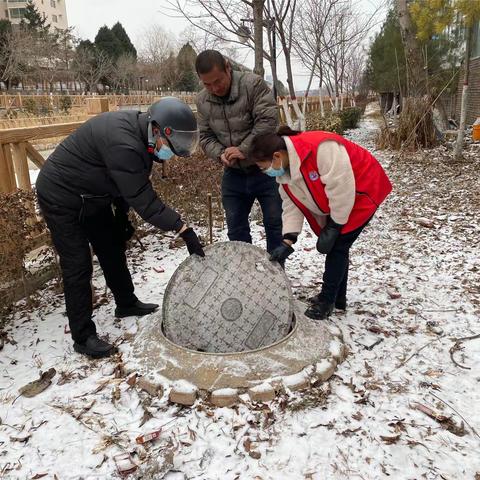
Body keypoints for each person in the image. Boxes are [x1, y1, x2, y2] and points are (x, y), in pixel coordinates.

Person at [36, 97, 205, 358]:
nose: (170, 152)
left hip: (93, 195)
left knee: (112, 247)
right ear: (158, 129)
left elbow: (124, 183)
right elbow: (144, 199)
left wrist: (121, 217)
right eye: (172, 145)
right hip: (62, 196)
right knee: (77, 264)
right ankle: (83, 336)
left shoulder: (141, 138)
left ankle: (126, 303)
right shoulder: (125, 143)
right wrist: (182, 228)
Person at [249, 126, 392, 320]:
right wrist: (288, 240)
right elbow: (292, 203)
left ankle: (327, 301)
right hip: (341, 200)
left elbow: (341, 189)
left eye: (263, 167)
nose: (264, 172)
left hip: (362, 190)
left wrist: (334, 226)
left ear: (276, 156)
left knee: (338, 246)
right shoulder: (285, 172)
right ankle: (339, 298)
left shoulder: (321, 148)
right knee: (338, 246)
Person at [195, 49, 283, 254]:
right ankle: (244, 274)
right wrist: (220, 153)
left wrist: (244, 150)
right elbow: (205, 136)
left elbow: (268, 122)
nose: (214, 88)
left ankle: (277, 276)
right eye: (207, 84)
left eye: (218, 81)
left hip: (265, 169)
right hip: (234, 172)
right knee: (236, 230)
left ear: (228, 68)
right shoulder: (202, 101)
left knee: (274, 224)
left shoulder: (253, 85)